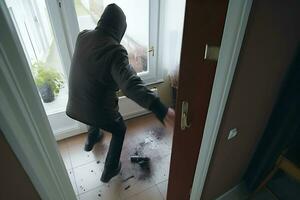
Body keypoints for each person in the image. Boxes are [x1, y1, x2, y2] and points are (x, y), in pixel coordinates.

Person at [66, 4, 175, 183]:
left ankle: (91, 138)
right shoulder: (115, 50)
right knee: (119, 128)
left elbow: (93, 71)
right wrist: (159, 108)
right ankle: (110, 169)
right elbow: (130, 85)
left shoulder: (83, 36)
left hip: (74, 104)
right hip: (94, 108)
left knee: (91, 102)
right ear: (120, 28)